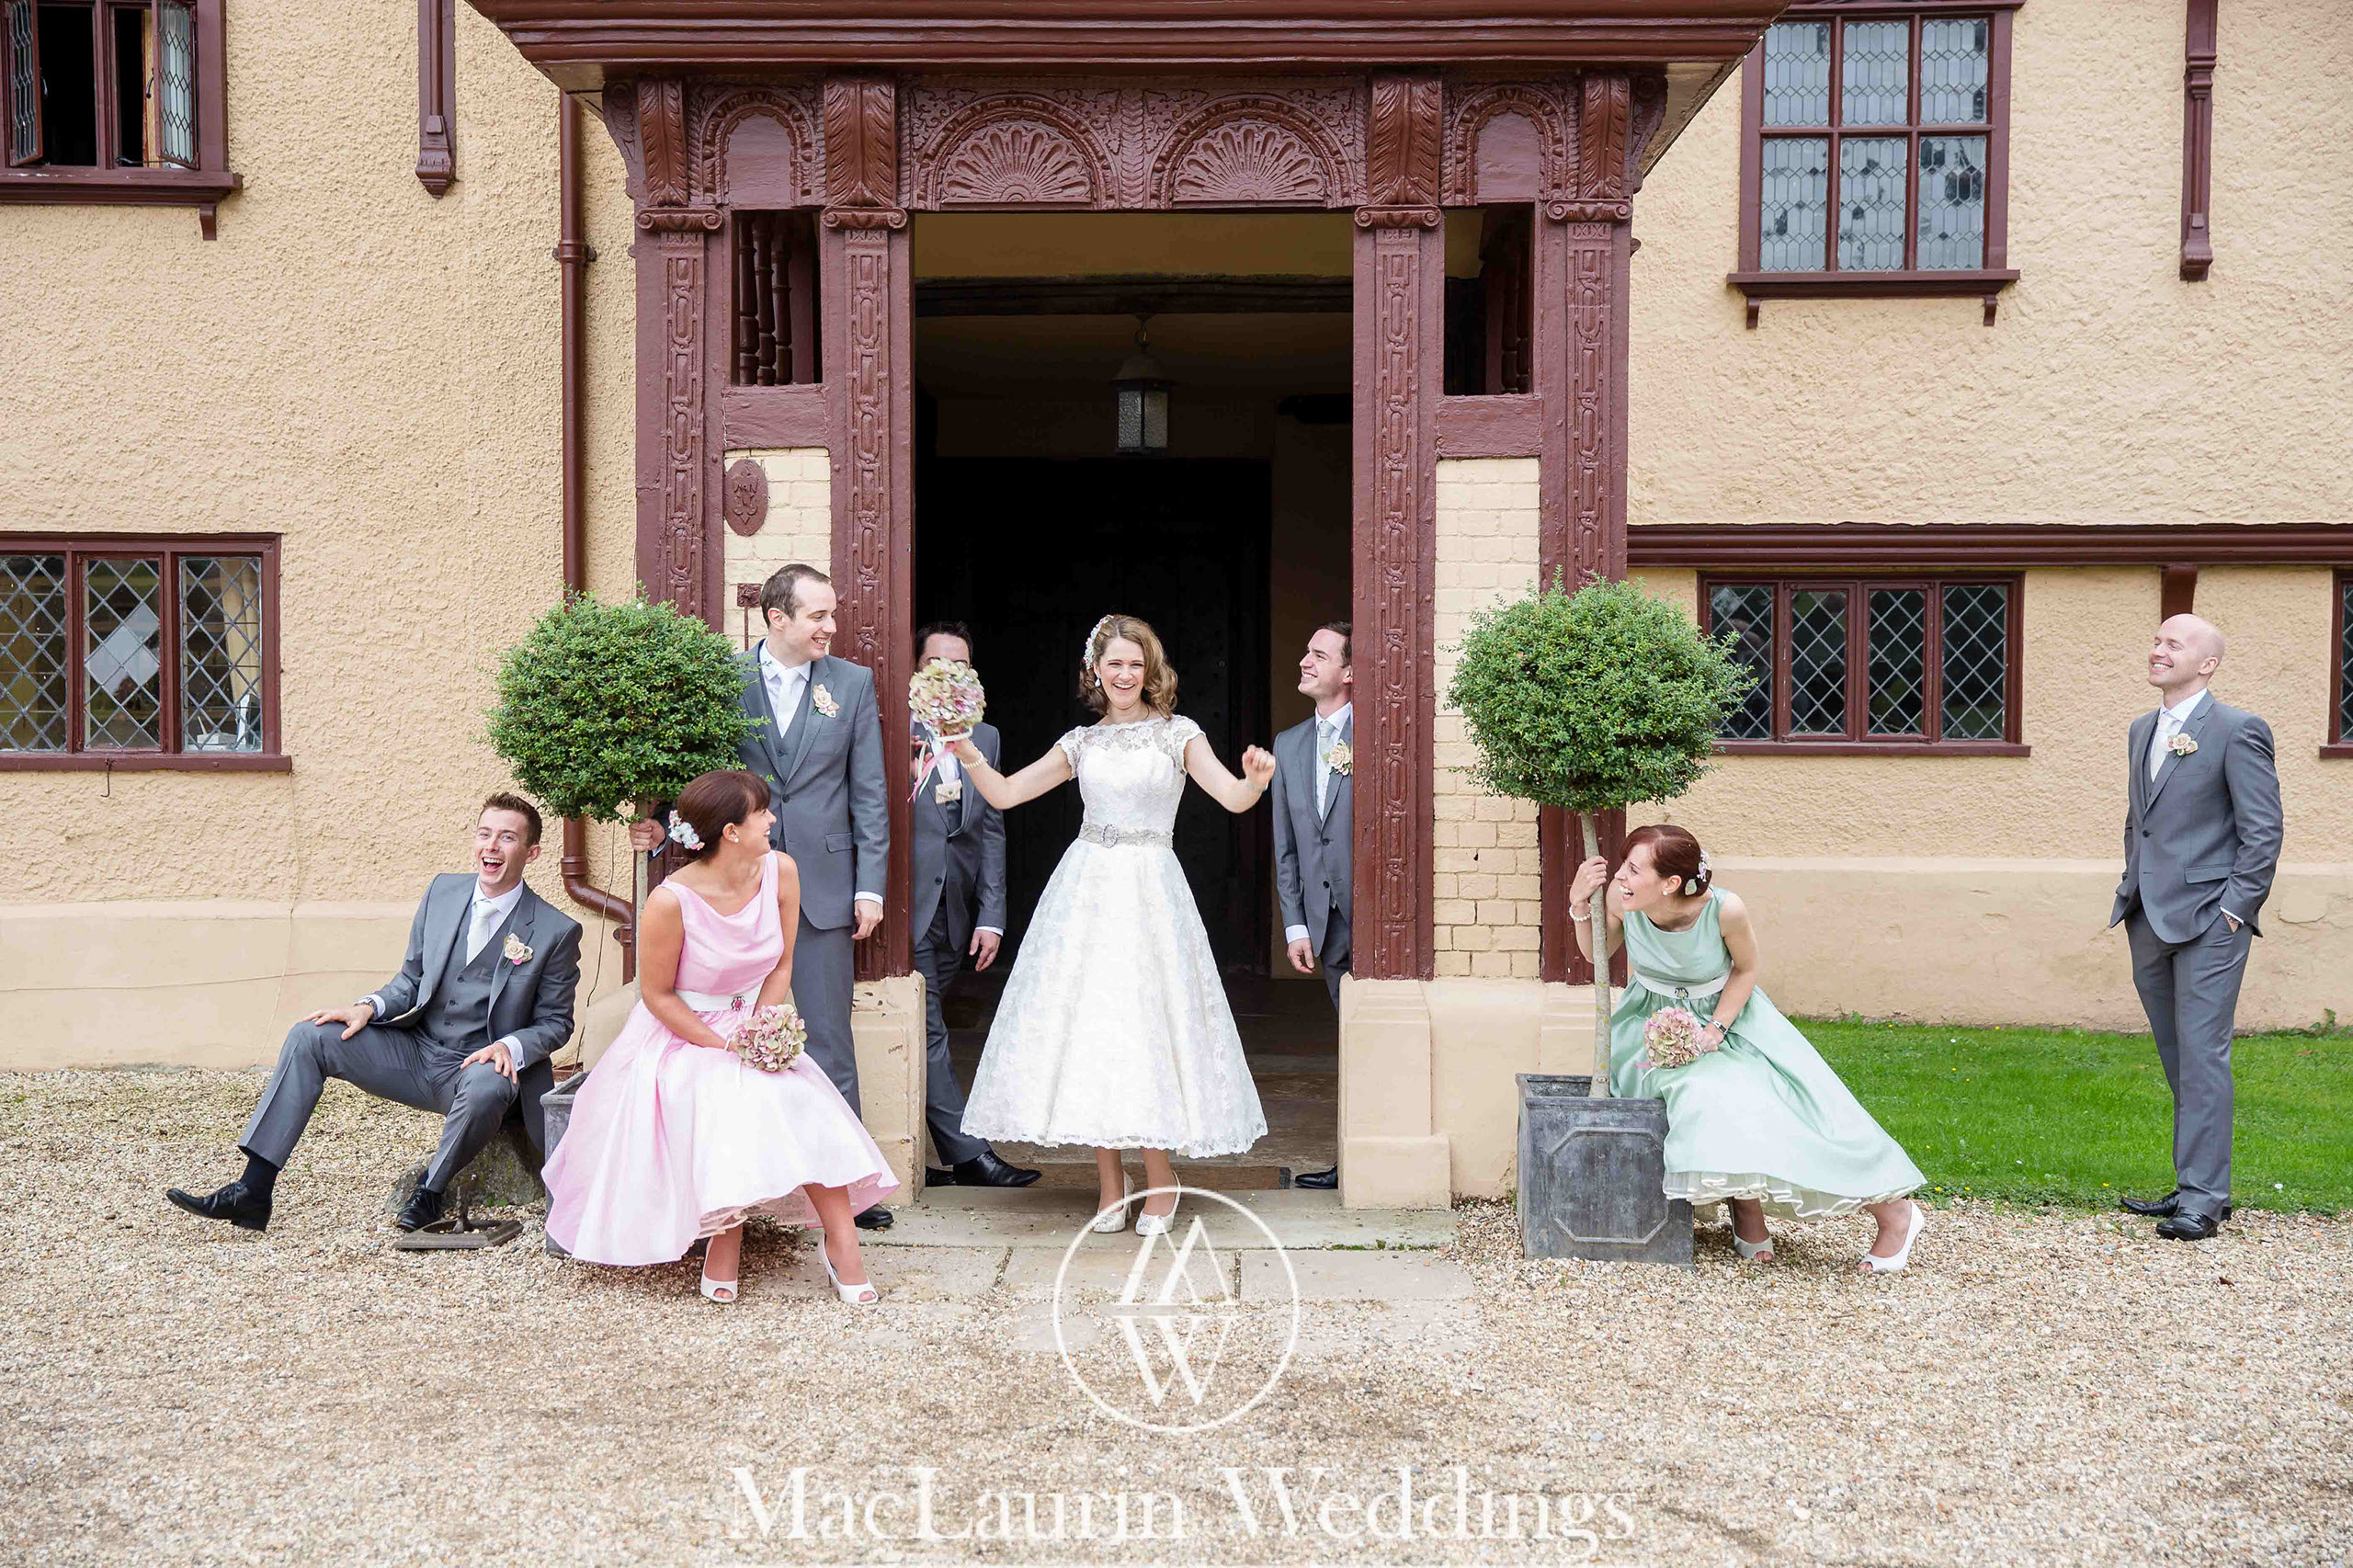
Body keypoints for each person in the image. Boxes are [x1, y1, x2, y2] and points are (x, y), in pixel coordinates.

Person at [945, 614, 1273, 1234]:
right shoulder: (1081, 742)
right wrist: (965, 752)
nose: (1124, 673)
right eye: (1114, 663)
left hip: (1150, 892)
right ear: (1095, 670)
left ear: (1150, 670)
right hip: (1087, 891)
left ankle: (1160, 1182)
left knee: (1145, 1025)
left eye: (1134, 663)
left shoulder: (1179, 734)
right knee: (1092, 1028)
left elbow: (1230, 797)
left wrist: (1254, 783)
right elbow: (1008, 794)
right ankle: (1108, 1185)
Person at [550, 770, 896, 1303]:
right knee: (724, 1093)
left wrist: (761, 1027)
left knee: (804, 1097)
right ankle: (723, 1235)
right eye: (763, 813)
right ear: (731, 831)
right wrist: (727, 1046)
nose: (773, 820)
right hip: (680, 1036)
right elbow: (657, 996)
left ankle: (842, 1241)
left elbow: (782, 963)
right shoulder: (671, 901)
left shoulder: (781, 871)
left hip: (753, 1019)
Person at [166, 794, 584, 1234]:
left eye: (507, 838)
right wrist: (367, 1007)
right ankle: (253, 1190)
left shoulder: (555, 930)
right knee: (311, 1036)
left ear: (531, 853)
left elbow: (556, 1023)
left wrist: (509, 1046)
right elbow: (411, 979)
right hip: (416, 1052)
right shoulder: (442, 892)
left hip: (478, 1068)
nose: (491, 847)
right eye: (484, 834)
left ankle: (429, 1192)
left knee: (489, 1083)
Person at [631, 562, 894, 1230]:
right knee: (729, 1035)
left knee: (829, 1036)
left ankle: (844, 1188)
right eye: (818, 616)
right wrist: (662, 824)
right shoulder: (725, 680)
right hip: (734, 886)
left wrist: (869, 886)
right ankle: (741, 1184)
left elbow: (869, 791)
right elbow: (691, 770)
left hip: (824, 885)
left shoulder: (853, 684)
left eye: (832, 615)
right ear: (778, 618)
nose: (831, 627)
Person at [1569, 824, 1927, 1273]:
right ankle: (1746, 1204)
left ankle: (1896, 1214)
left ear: (1671, 883)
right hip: (1650, 1027)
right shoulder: (1623, 901)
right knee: (1714, 1094)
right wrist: (1579, 903)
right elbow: (1595, 956)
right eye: (1623, 865)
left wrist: (1715, 1029)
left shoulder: (1725, 910)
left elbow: (1746, 969)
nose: (1620, 876)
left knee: (1801, 1104)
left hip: (1730, 1017)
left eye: (1633, 869)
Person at [2109, 613, 2281, 1242]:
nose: (2157, 650)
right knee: (2178, 1056)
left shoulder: (2237, 730)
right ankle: (2197, 1183)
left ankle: (2203, 1200)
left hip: (2212, 919)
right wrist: (2131, 884)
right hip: (2147, 915)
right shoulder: (2142, 729)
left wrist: (2236, 909)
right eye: (2155, 640)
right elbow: (2141, 820)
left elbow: (2263, 830)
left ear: (2206, 663)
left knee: (2204, 1055)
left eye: (2172, 644)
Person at [908, 621, 1038, 1190]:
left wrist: (991, 915)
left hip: (954, 910)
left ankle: (932, 1154)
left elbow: (989, 830)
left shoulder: (984, 737)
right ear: (916, 670)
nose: (948, 675)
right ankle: (968, 1154)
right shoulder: (890, 729)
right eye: (937, 663)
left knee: (925, 1028)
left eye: (960, 666)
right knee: (928, 1027)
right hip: (901, 906)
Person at [1270, 621, 1353, 1190]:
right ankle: (1349, 1157)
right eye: (1306, 650)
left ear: (1348, 673)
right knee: (1347, 1038)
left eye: (1318, 654)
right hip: (1322, 926)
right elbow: (1287, 848)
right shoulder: (1288, 744)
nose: (1304, 660)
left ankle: (1361, 1159)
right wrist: (1295, 924)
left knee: (1370, 1038)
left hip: (1373, 918)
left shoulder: (1381, 736)